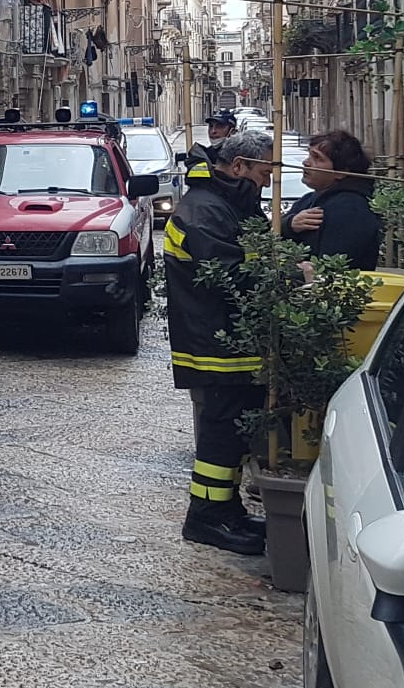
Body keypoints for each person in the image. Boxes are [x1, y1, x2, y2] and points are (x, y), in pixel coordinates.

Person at [164, 127, 274, 556]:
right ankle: (206, 518)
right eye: (263, 174)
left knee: (230, 433)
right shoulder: (205, 210)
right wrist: (286, 270)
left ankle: (225, 510)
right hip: (214, 342)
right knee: (221, 432)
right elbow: (228, 275)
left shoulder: (223, 201)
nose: (267, 183)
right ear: (240, 166)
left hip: (224, 338)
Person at [282, 128, 383, 270]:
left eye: (317, 158)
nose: (306, 162)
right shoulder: (308, 199)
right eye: (309, 155)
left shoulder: (351, 209)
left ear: (341, 173)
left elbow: (332, 269)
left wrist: (300, 271)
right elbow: (274, 239)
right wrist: (290, 225)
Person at [182, 111, 237, 175]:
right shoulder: (202, 155)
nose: (213, 131)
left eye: (219, 126)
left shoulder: (240, 156)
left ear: (232, 131)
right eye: (211, 126)